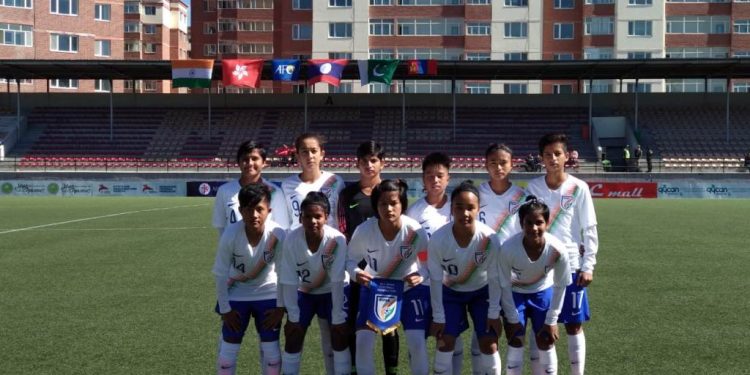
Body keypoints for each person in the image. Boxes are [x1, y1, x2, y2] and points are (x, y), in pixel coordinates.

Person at [526, 133, 598, 375]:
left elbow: (589, 228)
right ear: (541, 158)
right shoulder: (534, 187)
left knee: (574, 325)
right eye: (548, 154)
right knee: (543, 326)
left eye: (558, 153)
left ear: (567, 156)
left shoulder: (579, 188)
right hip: (540, 267)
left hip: (572, 265)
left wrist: (588, 265)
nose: (553, 158)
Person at [347, 179, 430, 375]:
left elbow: (427, 263)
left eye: (394, 203)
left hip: (408, 290)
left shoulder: (415, 231)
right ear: (376, 206)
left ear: (402, 204)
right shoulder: (365, 231)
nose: (389, 208)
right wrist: (357, 273)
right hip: (374, 289)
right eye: (383, 203)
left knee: (416, 342)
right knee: (363, 342)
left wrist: (421, 275)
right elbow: (348, 260)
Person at [407, 152, 478, 374]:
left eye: (440, 175)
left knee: (450, 339)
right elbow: (410, 249)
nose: (435, 180)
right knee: (418, 340)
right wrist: (421, 272)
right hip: (424, 284)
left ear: (448, 178)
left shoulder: (459, 207)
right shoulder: (415, 212)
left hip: (453, 285)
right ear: (422, 179)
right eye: (429, 175)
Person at [281, 132, 346, 373]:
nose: (309, 155)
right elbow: (285, 223)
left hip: (332, 258)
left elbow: (344, 214)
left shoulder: (335, 182)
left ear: (322, 154)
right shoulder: (288, 185)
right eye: (304, 151)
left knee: (333, 336)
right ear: (296, 155)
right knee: (296, 331)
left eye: (314, 150)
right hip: (302, 265)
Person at [337, 141, 399, 375]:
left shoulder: (392, 191)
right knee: (356, 320)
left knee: (389, 325)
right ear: (357, 164)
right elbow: (344, 231)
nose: (369, 165)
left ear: (382, 163)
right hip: (357, 269)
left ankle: (391, 370)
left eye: (374, 160)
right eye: (364, 161)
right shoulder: (347, 194)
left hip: (386, 268)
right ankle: (355, 367)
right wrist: (353, 267)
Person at [428, 181, 503, 375]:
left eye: (470, 208)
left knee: (489, 344)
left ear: (479, 209)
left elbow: (495, 278)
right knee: (445, 342)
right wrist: (438, 317)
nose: (465, 213)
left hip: (482, 292)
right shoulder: (438, 239)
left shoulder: (489, 238)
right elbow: (435, 280)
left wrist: (494, 313)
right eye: (459, 208)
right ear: (451, 209)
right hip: (451, 293)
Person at [211, 183, 287, 375]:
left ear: (269, 210)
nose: (254, 214)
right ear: (240, 210)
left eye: (259, 209)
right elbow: (220, 273)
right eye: (248, 209)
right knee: (227, 356)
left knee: (271, 356)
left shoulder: (278, 234)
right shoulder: (230, 234)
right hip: (237, 293)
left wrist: (280, 307)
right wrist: (225, 309)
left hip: (269, 292)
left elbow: (285, 273)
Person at [278, 192, 350, 375]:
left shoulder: (337, 240)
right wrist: (293, 317)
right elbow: (288, 279)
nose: (313, 221)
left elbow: (337, 280)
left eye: (318, 216)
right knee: (293, 334)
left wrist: (338, 318)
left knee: (339, 334)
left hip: (331, 291)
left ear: (326, 217)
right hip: (305, 292)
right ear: (301, 218)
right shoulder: (291, 240)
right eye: (307, 216)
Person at [499, 196, 571, 375]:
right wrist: (512, 318)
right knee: (515, 339)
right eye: (528, 222)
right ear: (521, 223)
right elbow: (504, 285)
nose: (533, 228)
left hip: (542, 291)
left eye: (539, 222)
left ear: (547, 222)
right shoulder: (508, 249)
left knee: (546, 340)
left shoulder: (558, 250)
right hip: (516, 293)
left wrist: (552, 320)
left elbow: (561, 285)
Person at [213, 140, 290, 235]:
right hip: (234, 249)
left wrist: (267, 250)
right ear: (239, 162)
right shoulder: (224, 191)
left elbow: (281, 229)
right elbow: (221, 227)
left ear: (264, 162)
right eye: (245, 159)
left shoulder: (275, 192)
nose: (250, 163)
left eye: (254, 158)